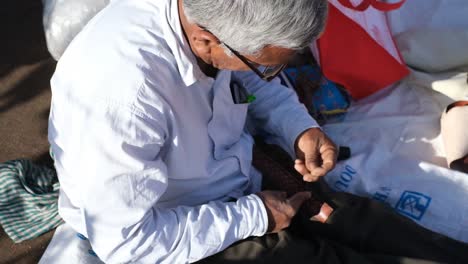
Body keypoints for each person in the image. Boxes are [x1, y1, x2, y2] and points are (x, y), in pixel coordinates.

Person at [48, 0, 468, 263]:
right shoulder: (121, 100)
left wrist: (299, 128)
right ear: (206, 41)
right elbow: (128, 245)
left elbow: (254, 78)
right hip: (178, 228)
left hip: (242, 179)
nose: (276, 75)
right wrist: (255, 215)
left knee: (359, 219)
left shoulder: (215, 22)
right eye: (271, 64)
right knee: (314, 256)